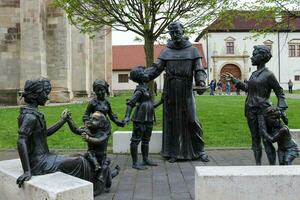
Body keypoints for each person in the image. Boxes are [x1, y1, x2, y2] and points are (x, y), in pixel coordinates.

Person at [144, 21, 209, 163]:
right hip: (171, 90)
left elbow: (199, 69)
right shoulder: (166, 51)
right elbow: (156, 69)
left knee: (192, 120)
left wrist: (201, 81)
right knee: (172, 122)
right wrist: (142, 75)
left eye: (177, 31)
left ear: (183, 31)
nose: (175, 34)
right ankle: (173, 152)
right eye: (172, 32)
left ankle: (200, 150)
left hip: (186, 89)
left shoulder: (193, 51)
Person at [16, 78, 96, 190]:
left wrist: (62, 120)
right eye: (45, 93)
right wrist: (27, 171)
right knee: (81, 161)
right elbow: (21, 141)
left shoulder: (31, 113)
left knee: (77, 156)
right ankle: (90, 190)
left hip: (42, 158)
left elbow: (45, 134)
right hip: (40, 164)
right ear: (35, 95)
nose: (47, 97)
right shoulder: (31, 117)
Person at [223, 45, 288, 165]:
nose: (252, 58)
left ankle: (272, 168)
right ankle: (258, 165)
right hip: (250, 110)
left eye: (254, 55)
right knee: (255, 139)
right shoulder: (254, 74)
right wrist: (235, 80)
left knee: (266, 140)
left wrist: (281, 107)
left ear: (262, 57)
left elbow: (279, 92)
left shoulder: (268, 74)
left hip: (263, 111)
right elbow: (249, 89)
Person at [67, 111, 120, 192]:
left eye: (94, 119)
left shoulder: (103, 134)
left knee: (104, 176)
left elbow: (98, 140)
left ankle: (111, 175)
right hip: (91, 156)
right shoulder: (88, 131)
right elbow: (75, 130)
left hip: (101, 158)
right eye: (91, 118)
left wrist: (88, 138)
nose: (91, 120)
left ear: (101, 124)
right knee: (86, 154)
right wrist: (69, 119)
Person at [123, 66, 162, 170]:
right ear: (140, 77)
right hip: (140, 118)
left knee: (146, 140)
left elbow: (151, 105)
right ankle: (135, 162)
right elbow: (131, 103)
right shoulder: (139, 90)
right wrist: (127, 116)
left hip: (148, 117)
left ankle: (145, 159)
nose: (147, 74)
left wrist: (161, 100)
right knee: (136, 140)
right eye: (144, 73)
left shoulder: (146, 88)